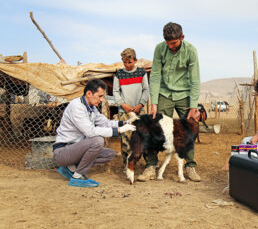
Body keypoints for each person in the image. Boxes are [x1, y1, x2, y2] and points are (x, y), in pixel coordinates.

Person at [137, 22, 201, 182]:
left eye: (174, 43)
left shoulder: (191, 51)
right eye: (168, 43)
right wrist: (154, 103)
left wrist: (193, 106)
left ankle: (190, 166)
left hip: (184, 94)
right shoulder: (160, 49)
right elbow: (156, 75)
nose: (171, 47)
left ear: (182, 37)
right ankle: (150, 167)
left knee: (189, 129)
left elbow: (195, 80)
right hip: (164, 93)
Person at [53, 79, 136, 188]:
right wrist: (119, 130)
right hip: (63, 151)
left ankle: (70, 168)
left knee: (109, 154)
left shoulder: (91, 108)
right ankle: (78, 176)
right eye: (100, 96)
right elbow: (90, 131)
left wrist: (125, 122)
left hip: (76, 149)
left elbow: (105, 123)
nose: (101, 100)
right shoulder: (77, 106)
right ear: (89, 93)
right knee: (97, 141)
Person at [113, 48, 149, 166]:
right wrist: (123, 105)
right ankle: (127, 164)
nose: (127, 65)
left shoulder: (141, 72)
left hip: (140, 110)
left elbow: (146, 90)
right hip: (124, 112)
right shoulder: (119, 74)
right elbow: (116, 92)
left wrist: (140, 104)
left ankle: (149, 164)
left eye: (130, 62)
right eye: (124, 62)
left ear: (136, 60)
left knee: (144, 137)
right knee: (126, 139)